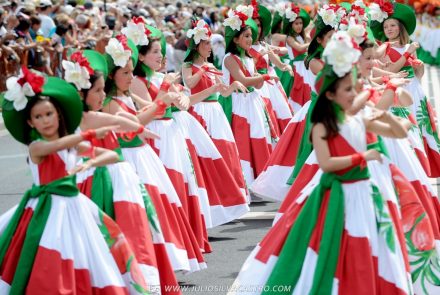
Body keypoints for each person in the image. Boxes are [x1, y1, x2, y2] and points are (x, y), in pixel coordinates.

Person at [229, 31, 412, 295]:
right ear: (330, 95)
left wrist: (385, 102)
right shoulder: (323, 125)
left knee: (374, 242)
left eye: (354, 87)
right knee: (336, 244)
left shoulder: (361, 118)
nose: (355, 93)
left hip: (367, 191)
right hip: (338, 193)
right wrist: (363, 156)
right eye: (348, 90)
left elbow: (399, 131)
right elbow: (326, 164)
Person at [0, 69, 149, 293]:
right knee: (49, 252)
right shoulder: (37, 147)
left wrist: (89, 163)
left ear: (58, 115)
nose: (45, 120)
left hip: (75, 204)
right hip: (45, 208)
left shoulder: (70, 143)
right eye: (38, 117)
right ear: (30, 123)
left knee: (86, 251)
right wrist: (87, 135)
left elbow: (110, 156)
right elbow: (56, 146)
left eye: (48, 114)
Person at [62, 50, 180, 294]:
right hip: (98, 182)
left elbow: (125, 122)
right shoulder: (86, 118)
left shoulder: (94, 114)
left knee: (128, 235)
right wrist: (137, 124)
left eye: (102, 89)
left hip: (110, 178)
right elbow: (122, 122)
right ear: (81, 94)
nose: (102, 95)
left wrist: (136, 127)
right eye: (97, 91)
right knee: (113, 236)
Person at [103, 33, 207, 273]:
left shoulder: (127, 94)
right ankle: (148, 267)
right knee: (147, 211)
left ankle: (163, 262)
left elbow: (148, 108)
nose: (131, 77)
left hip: (143, 155)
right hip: (129, 160)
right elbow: (142, 116)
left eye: (131, 72)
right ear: (112, 76)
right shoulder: (110, 100)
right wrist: (164, 96)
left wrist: (169, 95)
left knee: (162, 206)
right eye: (126, 73)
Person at [182, 18, 250, 214]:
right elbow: (190, 85)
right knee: (205, 158)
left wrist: (234, 86)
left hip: (216, 113)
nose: (210, 47)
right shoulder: (189, 66)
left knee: (225, 154)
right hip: (199, 113)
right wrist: (203, 69)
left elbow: (223, 91)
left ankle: (227, 200)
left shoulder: (212, 66)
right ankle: (209, 204)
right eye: (205, 43)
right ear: (196, 46)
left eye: (210, 43)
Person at [370, 1, 440, 177]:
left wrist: (419, 66)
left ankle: (423, 164)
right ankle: (408, 165)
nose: (389, 29)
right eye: (386, 26)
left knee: (421, 125)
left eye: (393, 25)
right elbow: (390, 70)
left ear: (400, 27)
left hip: (414, 89)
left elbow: (418, 74)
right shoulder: (384, 47)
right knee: (407, 126)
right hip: (397, 91)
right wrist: (408, 54)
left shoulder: (409, 45)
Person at [221, 9, 278, 188]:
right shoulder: (229, 58)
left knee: (258, 139)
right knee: (243, 142)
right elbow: (244, 80)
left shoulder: (250, 58)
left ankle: (258, 183)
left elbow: (256, 84)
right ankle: (244, 184)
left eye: (251, 35)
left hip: (252, 102)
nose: (250, 39)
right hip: (238, 104)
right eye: (246, 36)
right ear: (235, 39)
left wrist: (261, 69)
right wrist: (265, 77)